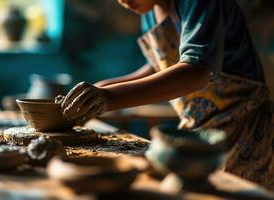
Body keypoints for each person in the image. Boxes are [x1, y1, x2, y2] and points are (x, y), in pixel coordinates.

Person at [60, 0, 274, 190]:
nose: (123, 1)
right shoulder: (151, 11)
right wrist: (101, 88)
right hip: (197, 134)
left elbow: (196, 71)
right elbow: (161, 67)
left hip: (246, 131)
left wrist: (109, 97)